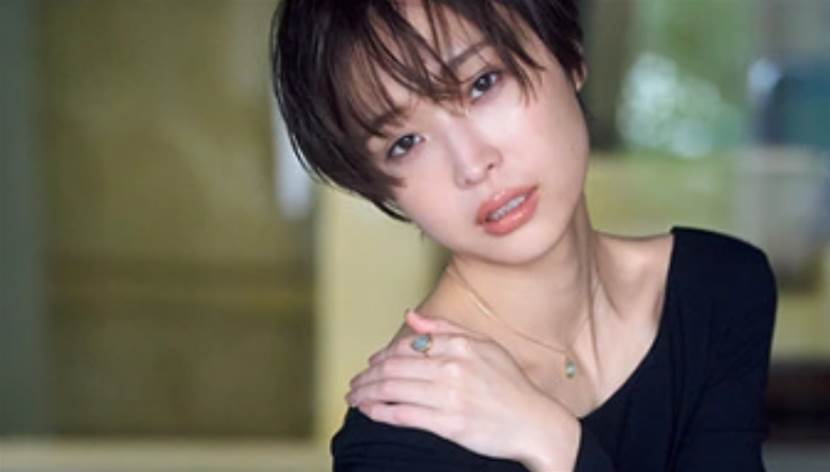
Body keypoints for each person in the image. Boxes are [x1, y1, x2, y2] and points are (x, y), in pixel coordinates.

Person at [270, 0, 778, 470]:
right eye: (405, 143)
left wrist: (553, 441)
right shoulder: (399, 440)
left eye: (483, 83)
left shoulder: (717, 290)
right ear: (382, 189)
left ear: (569, 53)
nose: (472, 164)